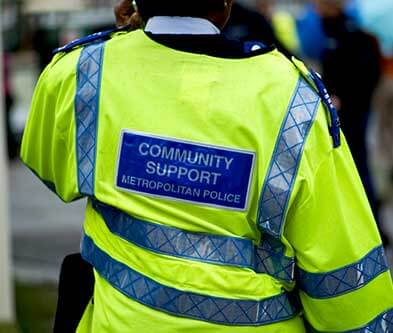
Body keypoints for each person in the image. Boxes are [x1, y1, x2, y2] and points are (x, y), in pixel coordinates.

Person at [21, 0, 393, 332]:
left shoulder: (81, 72)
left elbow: (48, 163)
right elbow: (345, 282)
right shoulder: (295, 102)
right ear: (225, 3)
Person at [315, 0, 384, 240]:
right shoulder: (327, 30)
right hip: (339, 110)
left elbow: (366, 73)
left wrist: (344, 99)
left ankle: (372, 226)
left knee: (358, 165)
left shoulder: (350, 32)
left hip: (352, 113)